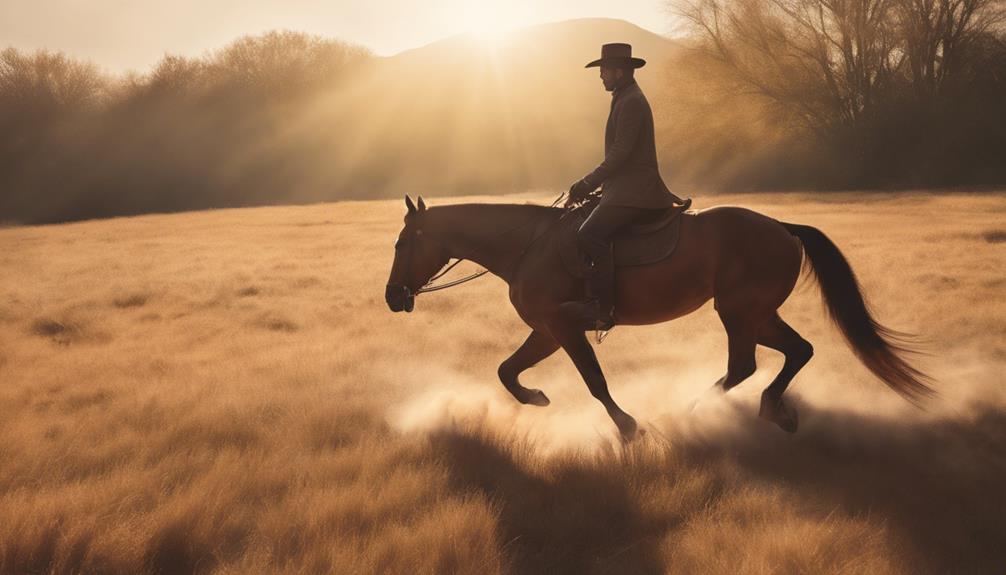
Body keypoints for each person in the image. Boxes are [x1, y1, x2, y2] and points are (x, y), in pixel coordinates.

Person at [564, 42, 687, 331]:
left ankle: (603, 309)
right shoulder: (624, 96)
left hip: (635, 191)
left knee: (589, 234)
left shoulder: (631, 101)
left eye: (604, 70)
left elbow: (621, 154)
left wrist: (585, 184)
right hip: (624, 188)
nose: (601, 76)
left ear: (619, 71)